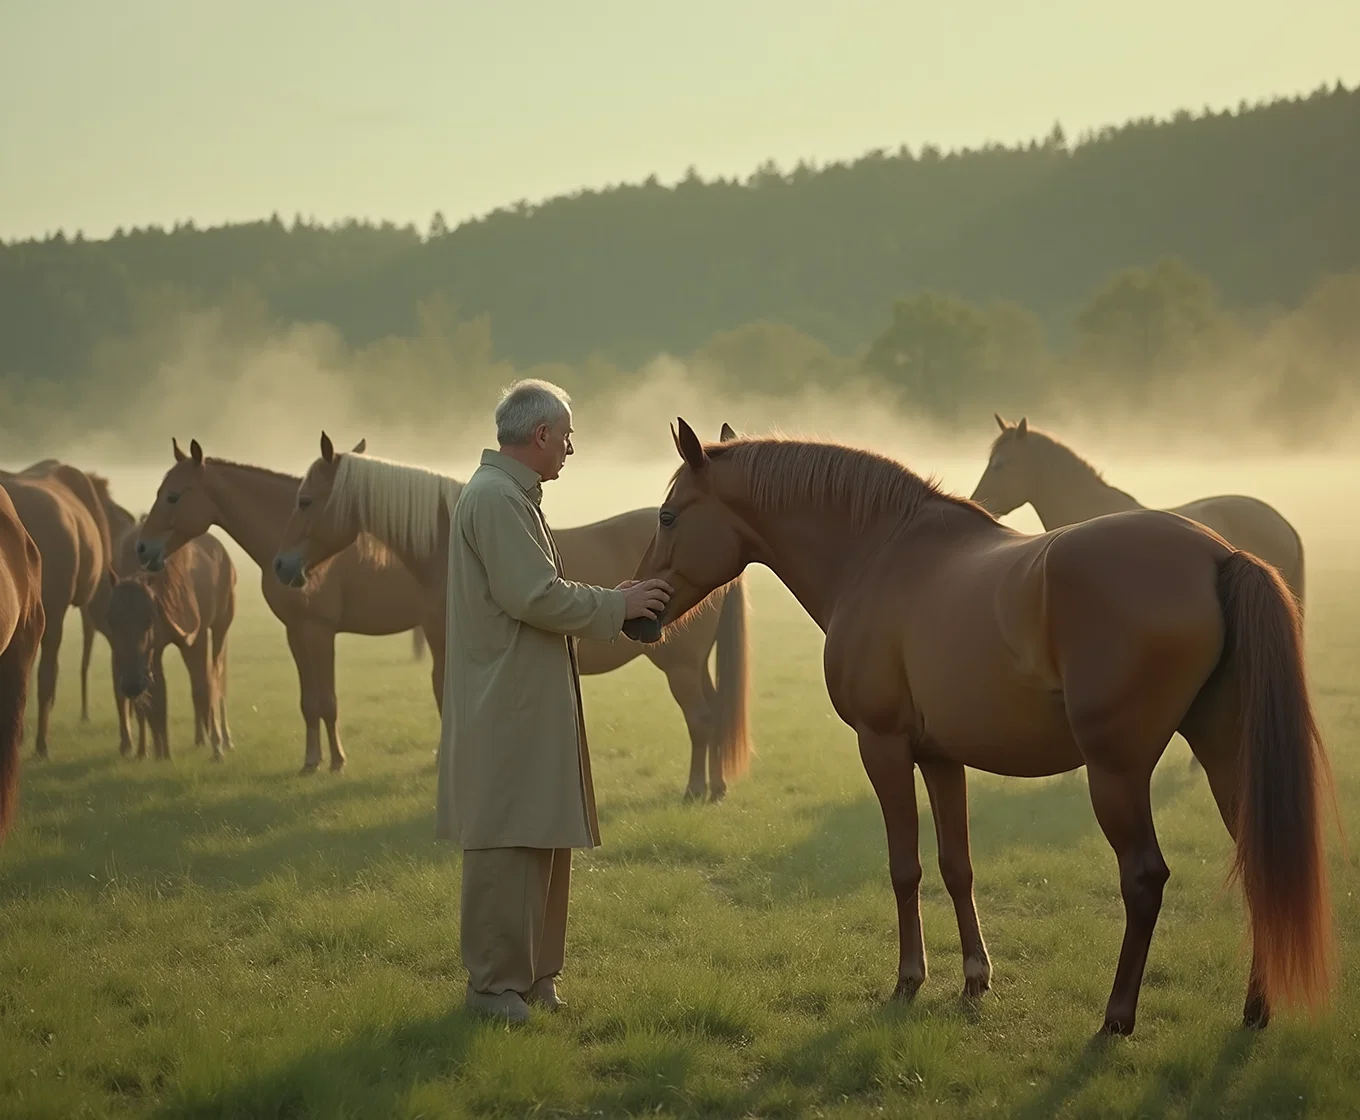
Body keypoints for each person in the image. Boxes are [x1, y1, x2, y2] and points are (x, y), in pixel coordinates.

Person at [435, 378, 673, 1024]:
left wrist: (606, 597)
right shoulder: (495, 500)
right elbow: (533, 596)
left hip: (527, 699)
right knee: (506, 843)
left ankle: (536, 976)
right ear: (539, 435)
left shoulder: (512, 497)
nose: (571, 447)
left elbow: (537, 589)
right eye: (566, 436)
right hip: (505, 702)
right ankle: (491, 985)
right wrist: (616, 605)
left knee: (544, 834)